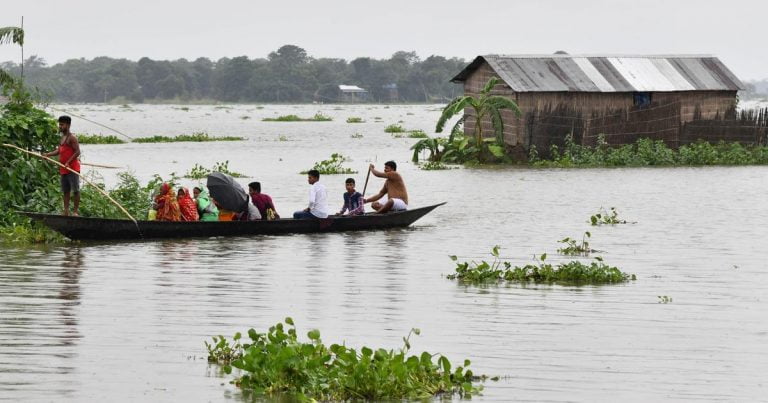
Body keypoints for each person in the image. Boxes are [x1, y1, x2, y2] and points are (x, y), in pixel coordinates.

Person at [42, 116, 81, 216]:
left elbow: (77, 152)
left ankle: (75, 212)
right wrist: (48, 154)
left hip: (72, 169)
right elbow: (59, 151)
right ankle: (66, 211)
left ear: (68, 125)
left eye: (62, 125)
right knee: (66, 191)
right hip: (63, 169)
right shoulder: (62, 137)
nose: (60, 126)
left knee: (75, 190)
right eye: (59, 124)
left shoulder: (72, 138)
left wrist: (68, 162)